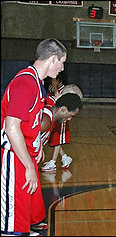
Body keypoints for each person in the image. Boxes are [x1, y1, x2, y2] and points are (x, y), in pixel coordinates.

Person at [1, 38, 67, 235]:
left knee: (20, 222)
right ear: (53, 59)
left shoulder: (36, 83)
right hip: (11, 158)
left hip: (21, 155)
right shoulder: (25, 83)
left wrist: (34, 149)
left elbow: (29, 124)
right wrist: (29, 165)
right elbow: (11, 127)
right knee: (10, 228)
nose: (62, 68)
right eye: (62, 62)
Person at [41, 77, 80, 172]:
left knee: (56, 139)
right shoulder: (46, 119)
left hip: (58, 117)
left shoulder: (62, 90)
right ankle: (63, 158)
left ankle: (55, 161)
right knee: (55, 139)